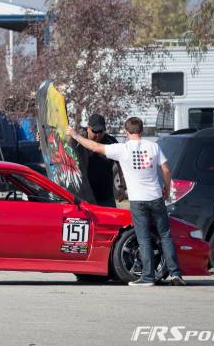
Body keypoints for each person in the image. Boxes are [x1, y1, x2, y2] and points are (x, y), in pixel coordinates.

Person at [66, 117, 186, 287]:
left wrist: (74, 135)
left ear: (126, 131)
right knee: (165, 236)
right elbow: (166, 169)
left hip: (138, 200)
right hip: (156, 197)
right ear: (142, 131)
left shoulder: (122, 149)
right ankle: (175, 274)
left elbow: (94, 147)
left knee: (143, 239)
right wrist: (166, 188)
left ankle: (148, 277)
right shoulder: (153, 146)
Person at [81, 114, 120, 208]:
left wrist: (122, 186)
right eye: (95, 131)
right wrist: (43, 138)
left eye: (101, 131)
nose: (98, 135)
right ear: (88, 128)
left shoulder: (111, 141)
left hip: (106, 197)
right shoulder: (79, 141)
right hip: (85, 197)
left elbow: (120, 163)